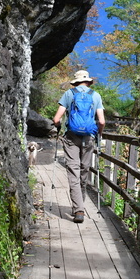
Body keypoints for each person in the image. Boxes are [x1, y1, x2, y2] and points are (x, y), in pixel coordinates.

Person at [53, 70, 105, 223]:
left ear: (75, 82)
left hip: (71, 136)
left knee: (73, 170)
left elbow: (57, 118)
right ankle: (80, 204)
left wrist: (58, 127)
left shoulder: (69, 94)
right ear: (88, 82)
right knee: (84, 169)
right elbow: (101, 121)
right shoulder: (95, 96)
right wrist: (98, 134)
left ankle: (78, 209)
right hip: (89, 137)